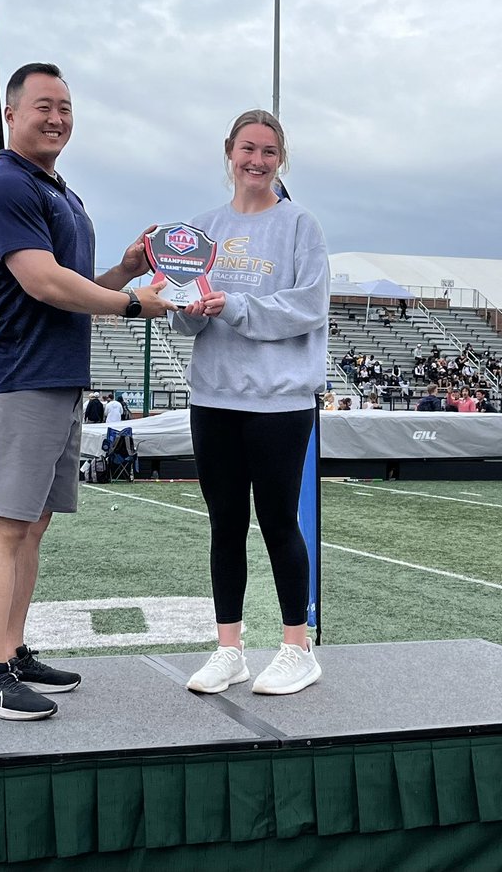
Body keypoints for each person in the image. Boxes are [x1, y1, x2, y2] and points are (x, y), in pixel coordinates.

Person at [0, 62, 173, 721]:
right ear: (11, 114)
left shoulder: (60, 194)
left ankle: (11, 651)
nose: (57, 118)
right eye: (44, 105)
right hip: (16, 377)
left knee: (33, 524)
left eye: (67, 108)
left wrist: (125, 272)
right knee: (2, 525)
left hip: (53, 377)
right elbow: (43, 284)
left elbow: (73, 287)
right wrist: (132, 304)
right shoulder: (3, 185)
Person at [170, 108, 328, 698]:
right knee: (224, 524)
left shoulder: (300, 227)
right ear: (228, 152)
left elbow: (306, 308)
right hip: (213, 397)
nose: (256, 161)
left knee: (279, 522)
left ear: (280, 159)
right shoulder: (202, 228)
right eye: (247, 149)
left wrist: (233, 305)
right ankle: (229, 648)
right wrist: (186, 309)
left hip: (279, 402)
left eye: (268, 151)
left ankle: (296, 647)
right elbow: (187, 319)